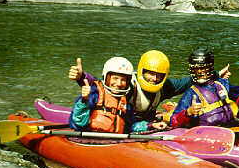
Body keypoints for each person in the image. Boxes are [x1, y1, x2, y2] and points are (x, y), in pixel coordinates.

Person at [69, 49, 230, 129]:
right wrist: (81, 77)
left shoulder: (165, 87)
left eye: (158, 75)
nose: (153, 78)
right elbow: (103, 86)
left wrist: (216, 74)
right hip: (129, 125)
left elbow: (188, 81)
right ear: (142, 71)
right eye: (150, 73)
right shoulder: (128, 83)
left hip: (146, 125)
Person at [168, 47, 239, 127]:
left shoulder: (221, 84)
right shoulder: (191, 94)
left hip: (230, 127)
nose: (199, 72)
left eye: (202, 68)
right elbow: (173, 122)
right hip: (205, 131)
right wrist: (188, 112)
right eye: (196, 68)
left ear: (210, 68)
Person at [69, 56, 144, 133]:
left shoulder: (124, 102)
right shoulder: (94, 94)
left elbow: (131, 126)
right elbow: (78, 123)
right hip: (90, 137)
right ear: (107, 78)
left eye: (123, 80)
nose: (119, 83)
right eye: (115, 78)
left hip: (114, 139)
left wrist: (148, 126)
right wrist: (84, 100)